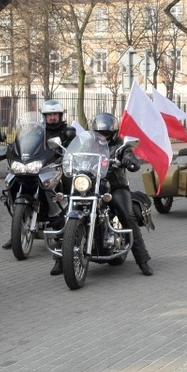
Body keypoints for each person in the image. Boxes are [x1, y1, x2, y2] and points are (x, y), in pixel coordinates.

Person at [68, 112, 153, 276]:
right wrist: (67, 160)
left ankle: (143, 261)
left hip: (115, 186)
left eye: (106, 133)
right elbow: (77, 155)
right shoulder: (89, 144)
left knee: (127, 216)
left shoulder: (121, 145)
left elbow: (131, 157)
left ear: (113, 133)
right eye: (99, 133)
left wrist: (130, 161)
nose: (103, 137)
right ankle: (62, 260)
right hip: (93, 185)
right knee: (68, 210)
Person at [2, 99, 77, 257]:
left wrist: (69, 151)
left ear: (60, 115)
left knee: (70, 186)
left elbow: (75, 146)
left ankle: (70, 223)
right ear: (44, 116)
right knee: (13, 184)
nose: (51, 118)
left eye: (54, 114)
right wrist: (12, 148)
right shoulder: (37, 129)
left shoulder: (67, 131)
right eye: (48, 115)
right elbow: (25, 142)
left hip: (58, 167)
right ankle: (17, 232)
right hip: (36, 168)